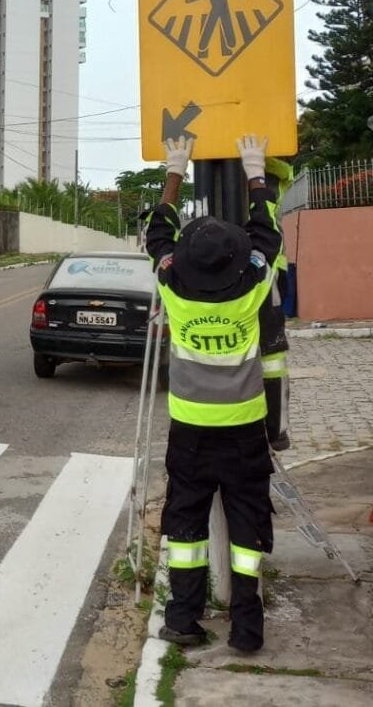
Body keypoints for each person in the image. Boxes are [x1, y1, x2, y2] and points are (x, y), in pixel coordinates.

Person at [142, 134, 282, 653]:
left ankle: (183, 620)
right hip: (244, 430)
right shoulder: (251, 286)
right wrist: (255, 173)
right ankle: (247, 632)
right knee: (247, 528)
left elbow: (157, 235)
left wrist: (174, 171)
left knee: (186, 522)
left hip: (190, 432)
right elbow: (267, 233)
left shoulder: (172, 286)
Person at [259, 158, 294, 451]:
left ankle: (275, 431)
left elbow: (282, 167)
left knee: (270, 353)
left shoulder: (275, 172)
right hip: (261, 268)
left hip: (268, 271)